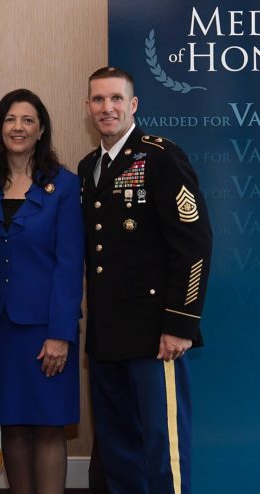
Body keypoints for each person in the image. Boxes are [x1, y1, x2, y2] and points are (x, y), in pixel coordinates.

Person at [78, 66, 212, 494]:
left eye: (116, 99)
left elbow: (193, 244)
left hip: (155, 336)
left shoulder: (160, 156)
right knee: (119, 451)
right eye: (98, 100)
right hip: (107, 338)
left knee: (163, 447)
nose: (107, 108)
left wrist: (179, 324)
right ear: (88, 108)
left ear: (133, 105)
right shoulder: (88, 167)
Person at [0, 89, 84, 494]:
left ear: (41, 131)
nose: (18, 128)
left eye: (28, 121)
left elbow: (70, 265)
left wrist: (60, 333)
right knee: (13, 425)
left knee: (50, 427)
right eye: (10, 120)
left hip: (45, 330)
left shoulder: (65, 186)